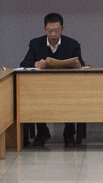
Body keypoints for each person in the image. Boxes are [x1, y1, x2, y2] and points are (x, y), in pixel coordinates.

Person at [20, 12, 86, 146]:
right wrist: (36, 64)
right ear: (44, 29)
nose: (53, 34)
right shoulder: (35, 43)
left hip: (66, 87)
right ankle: (42, 132)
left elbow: (82, 64)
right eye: (50, 31)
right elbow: (24, 63)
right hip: (42, 87)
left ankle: (69, 135)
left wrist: (78, 65)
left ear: (62, 29)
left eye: (57, 30)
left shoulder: (72, 44)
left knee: (71, 98)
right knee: (34, 96)